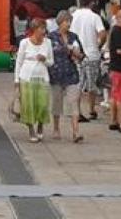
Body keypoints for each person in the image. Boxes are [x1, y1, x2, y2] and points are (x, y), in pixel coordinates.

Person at [48, 10, 84, 143]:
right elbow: (51, 51)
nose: (68, 24)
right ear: (60, 22)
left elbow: (81, 54)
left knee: (73, 102)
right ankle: (56, 128)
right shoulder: (52, 36)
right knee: (56, 103)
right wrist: (67, 49)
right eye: (66, 21)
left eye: (70, 21)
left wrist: (77, 54)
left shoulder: (74, 37)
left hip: (71, 73)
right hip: (56, 73)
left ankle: (76, 131)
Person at [16, 18, 53, 143]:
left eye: (44, 28)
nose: (43, 31)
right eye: (40, 28)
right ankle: (31, 130)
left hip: (42, 77)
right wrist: (16, 80)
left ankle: (40, 126)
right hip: (26, 77)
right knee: (28, 105)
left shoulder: (48, 42)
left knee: (43, 104)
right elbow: (19, 62)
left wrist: (44, 59)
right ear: (34, 30)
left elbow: (51, 62)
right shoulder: (24, 43)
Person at [72, 0, 106, 122]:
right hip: (92, 54)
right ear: (91, 3)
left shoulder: (73, 16)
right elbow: (102, 34)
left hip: (77, 54)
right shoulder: (94, 17)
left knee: (78, 84)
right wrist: (98, 45)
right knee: (92, 84)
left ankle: (77, 110)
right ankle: (91, 110)